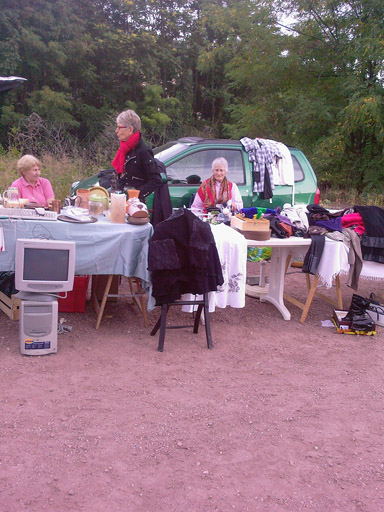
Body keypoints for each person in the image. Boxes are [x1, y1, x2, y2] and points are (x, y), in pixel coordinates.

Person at [110, 109, 171, 225]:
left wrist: (136, 195)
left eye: (119, 127)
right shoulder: (125, 149)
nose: (116, 131)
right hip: (122, 203)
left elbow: (156, 180)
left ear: (130, 130)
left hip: (137, 208)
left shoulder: (144, 151)